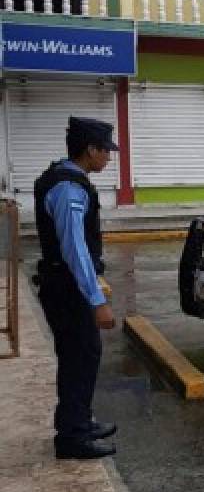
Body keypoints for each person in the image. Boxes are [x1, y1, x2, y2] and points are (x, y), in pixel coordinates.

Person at [33, 117, 120, 459]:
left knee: (83, 355)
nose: (109, 159)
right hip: (66, 289)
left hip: (65, 285)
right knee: (79, 357)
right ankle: (73, 438)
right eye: (106, 152)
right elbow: (74, 248)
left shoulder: (65, 177)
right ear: (90, 150)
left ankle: (79, 421)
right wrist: (96, 298)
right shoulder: (69, 187)